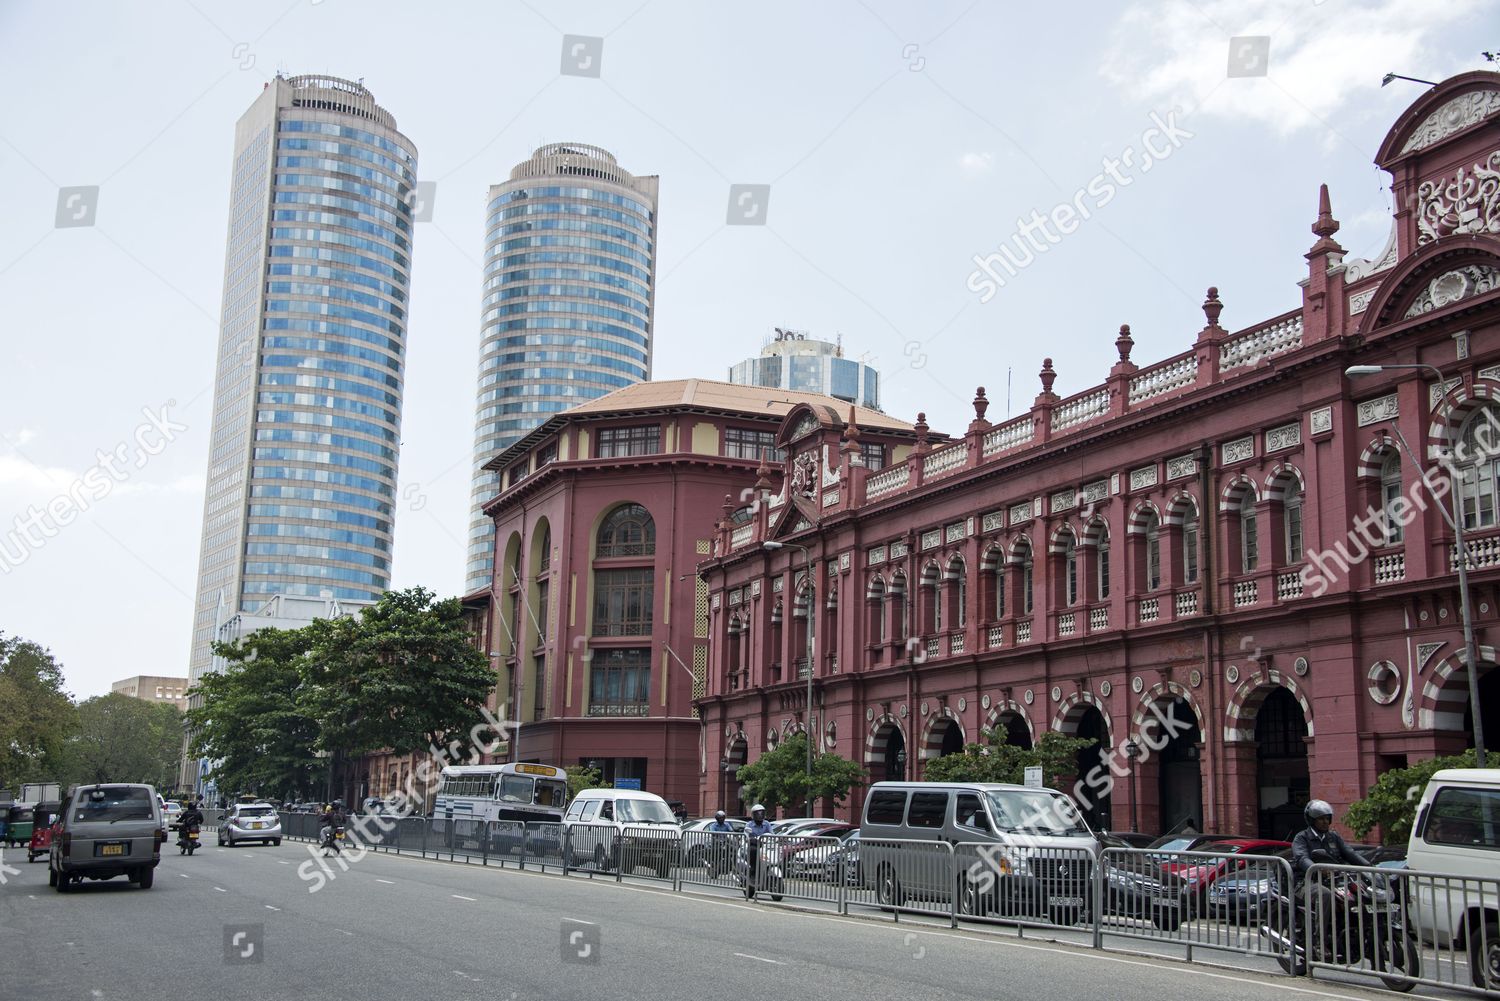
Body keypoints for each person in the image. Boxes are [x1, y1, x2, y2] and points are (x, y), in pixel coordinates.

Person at [1291, 799, 1370, 958]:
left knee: (1359, 893)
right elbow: (1301, 858)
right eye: (1321, 819)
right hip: (1306, 882)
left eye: (1327, 818)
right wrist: (1316, 868)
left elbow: (1351, 854)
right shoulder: (1302, 838)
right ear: (1312, 820)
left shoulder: (1333, 837)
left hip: (1334, 881)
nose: (1325, 822)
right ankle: (1320, 942)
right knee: (1325, 895)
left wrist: (1371, 868)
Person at [743, 804, 774, 899]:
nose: (760, 815)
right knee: (753, 850)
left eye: (762, 813)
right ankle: (753, 871)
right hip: (754, 845)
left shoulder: (767, 824)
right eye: (758, 813)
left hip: (765, 845)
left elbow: (772, 833)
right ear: (753, 815)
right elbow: (745, 834)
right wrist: (750, 839)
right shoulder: (749, 824)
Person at [707, 810, 735, 877]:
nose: (722, 819)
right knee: (717, 855)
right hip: (716, 844)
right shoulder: (713, 825)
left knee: (732, 852)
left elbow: (731, 831)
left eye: (723, 818)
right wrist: (717, 839)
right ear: (717, 818)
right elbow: (713, 833)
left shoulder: (727, 824)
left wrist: (733, 836)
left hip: (726, 843)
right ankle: (715, 867)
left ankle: (730, 866)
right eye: (720, 818)